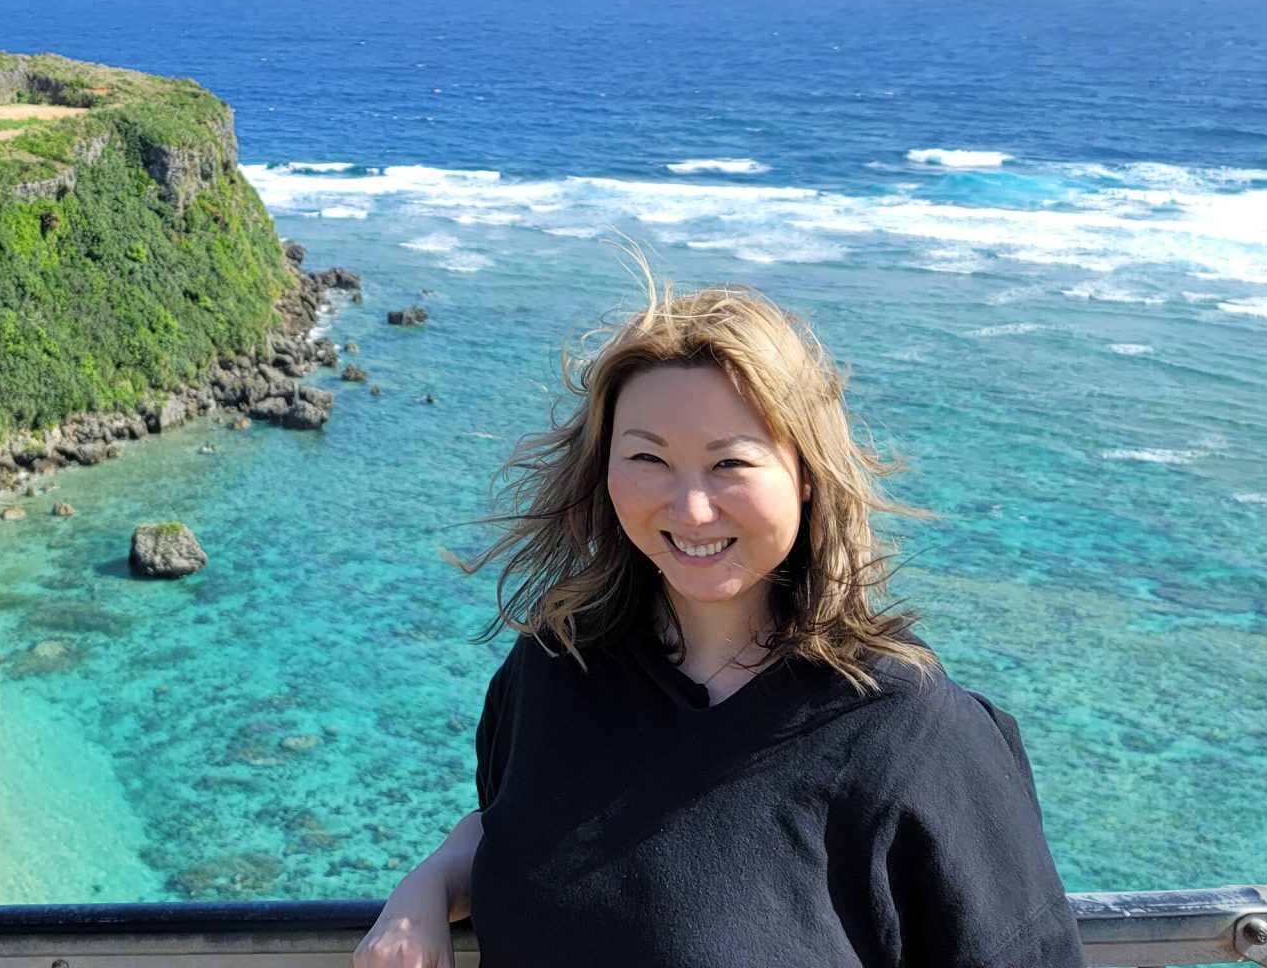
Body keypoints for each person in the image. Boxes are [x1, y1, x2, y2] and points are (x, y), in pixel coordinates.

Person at [355, 277, 1084, 968]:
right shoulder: (554, 666)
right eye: (648, 457)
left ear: (804, 473)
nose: (691, 508)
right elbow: (525, 823)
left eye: (730, 462)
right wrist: (432, 881)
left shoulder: (912, 731)